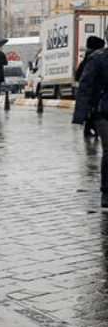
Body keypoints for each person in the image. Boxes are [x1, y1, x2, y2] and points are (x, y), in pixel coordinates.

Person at [73, 49, 108, 208]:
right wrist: (79, 116)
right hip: (104, 112)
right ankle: (106, 192)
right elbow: (85, 86)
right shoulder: (98, 59)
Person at [75, 36, 105, 138]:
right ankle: (90, 128)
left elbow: (79, 77)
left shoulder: (89, 58)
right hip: (97, 95)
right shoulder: (95, 59)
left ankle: (90, 128)